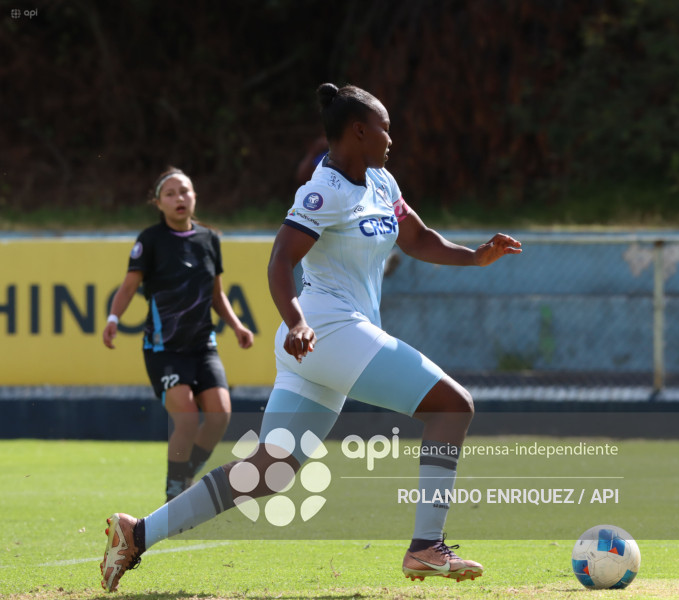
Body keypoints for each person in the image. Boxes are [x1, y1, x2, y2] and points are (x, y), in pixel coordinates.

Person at [99, 85, 522, 592]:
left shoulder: (382, 182)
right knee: (453, 407)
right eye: (385, 127)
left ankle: (137, 533)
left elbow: (417, 239)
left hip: (324, 343)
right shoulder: (321, 192)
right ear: (358, 131)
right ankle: (426, 547)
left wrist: (475, 256)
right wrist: (297, 321)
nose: (392, 137)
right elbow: (280, 261)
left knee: (266, 472)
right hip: (326, 331)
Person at [102, 167, 254, 503]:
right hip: (163, 349)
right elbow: (129, 287)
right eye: (170, 194)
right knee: (185, 418)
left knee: (220, 415)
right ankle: (174, 490)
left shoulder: (209, 239)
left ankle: (186, 472)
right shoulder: (150, 241)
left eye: (184, 191)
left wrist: (237, 324)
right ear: (158, 203)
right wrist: (114, 317)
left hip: (203, 347)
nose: (179, 198)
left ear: (194, 196)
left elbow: (217, 294)